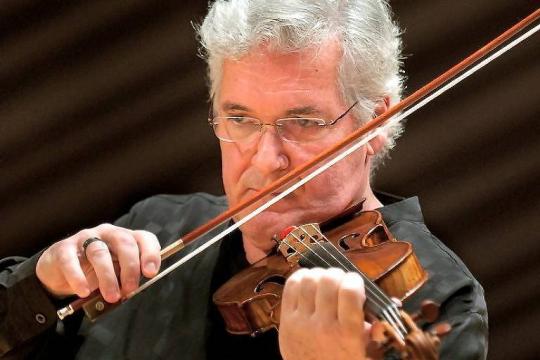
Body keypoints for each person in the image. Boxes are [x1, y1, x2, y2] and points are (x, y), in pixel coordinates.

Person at [0, 0, 488, 359]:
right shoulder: (161, 231)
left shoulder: (438, 297)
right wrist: (43, 283)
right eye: (240, 120)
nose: (265, 157)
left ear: (373, 126)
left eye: (304, 122)